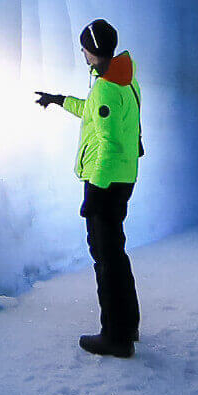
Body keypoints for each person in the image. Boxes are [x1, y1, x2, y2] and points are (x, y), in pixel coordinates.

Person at [35, 18, 143, 358]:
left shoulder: (106, 88)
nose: (81, 52)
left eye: (83, 47)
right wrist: (60, 99)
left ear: (92, 51)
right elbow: (95, 114)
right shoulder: (122, 78)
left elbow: (108, 143)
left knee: (105, 259)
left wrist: (94, 192)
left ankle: (115, 336)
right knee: (116, 255)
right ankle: (128, 326)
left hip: (106, 183)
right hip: (122, 178)